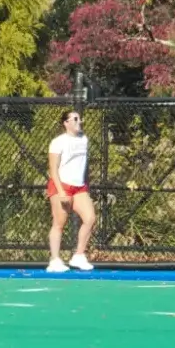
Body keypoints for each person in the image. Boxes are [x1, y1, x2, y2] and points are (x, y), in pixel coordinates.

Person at [47, 110, 97, 272]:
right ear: (66, 123)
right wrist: (61, 192)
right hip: (62, 185)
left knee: (90, 218)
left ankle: (79, 256)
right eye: (74, 119)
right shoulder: (58, 142)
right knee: (59, 224)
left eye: (79, 119)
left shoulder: (84, 139)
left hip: (79, 187)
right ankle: (54, 260)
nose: (79, 121)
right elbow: (53, 169)